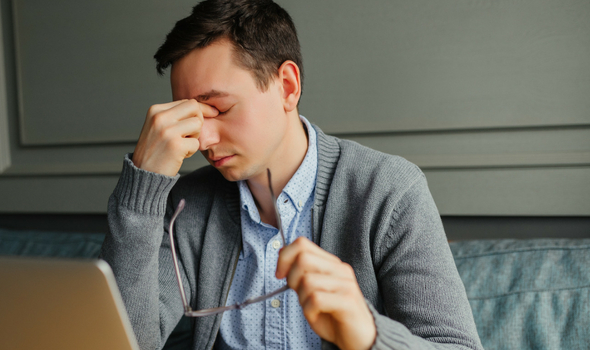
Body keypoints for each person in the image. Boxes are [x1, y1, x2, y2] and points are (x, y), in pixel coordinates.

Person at [101, 1, 483, 349]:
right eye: (191, 117)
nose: (202, 138)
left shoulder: (389, 190)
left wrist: (369, 335)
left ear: (287, 86)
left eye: (217, 108)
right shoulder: (187, 204)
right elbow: (123, 343)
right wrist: (144, 183)